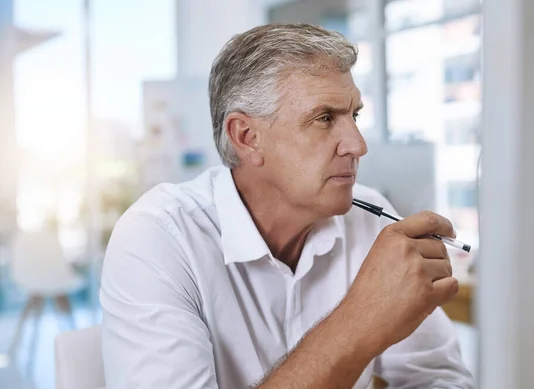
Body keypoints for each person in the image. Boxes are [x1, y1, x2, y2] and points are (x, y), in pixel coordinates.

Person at [100, 23, 474, 389]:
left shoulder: (371, 219)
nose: (358, 145)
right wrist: (361, 317)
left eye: (354, 115)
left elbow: (441, 376)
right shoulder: (158, 237)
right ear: (247, 137)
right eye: (325, 118)